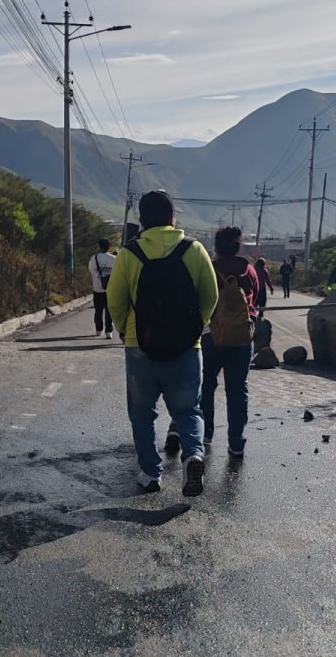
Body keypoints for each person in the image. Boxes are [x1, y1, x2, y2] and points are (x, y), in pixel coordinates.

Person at [107, 190, 218, 496]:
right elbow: (210, 295)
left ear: (141, 220)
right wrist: (196, 326)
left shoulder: (129, 253)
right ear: (172, 218)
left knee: (142, 413)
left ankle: (150, 473)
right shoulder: (194, 250)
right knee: (188, 411)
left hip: (139, 346)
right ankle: (193, 456)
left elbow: (115, 301)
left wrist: (124, 330)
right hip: (186, 348)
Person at [198, 227, 259, 457]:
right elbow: (257, 300)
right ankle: (236, 443)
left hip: (211, 336)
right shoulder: (249, 270)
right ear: (238, 246)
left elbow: (200, 300)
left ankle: (205, 434)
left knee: (206, 386)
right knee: (237, 390)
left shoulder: (210, 269)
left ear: (216, 247)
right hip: (242, 339)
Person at [88, 238, 116, 338]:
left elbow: (91, 270)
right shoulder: (114, 258)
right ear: (109, 247)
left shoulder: (94, 258)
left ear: (99, 247)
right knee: (109, 310)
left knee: (98, 310)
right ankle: (109, 331)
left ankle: (98, 329)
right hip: (111, 289)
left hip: (97, 288)